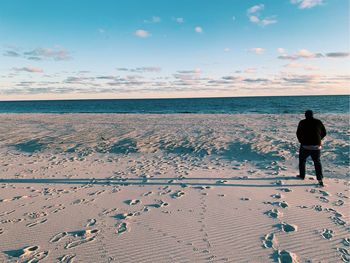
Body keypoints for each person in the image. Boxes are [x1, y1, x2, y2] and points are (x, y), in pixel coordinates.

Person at [296, 110, 327, 186]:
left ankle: (302, 176)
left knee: (302, 160)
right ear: (313, 115)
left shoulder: (302, 122)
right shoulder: (318, 122)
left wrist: (301, 141)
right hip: (316, 146)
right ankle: (320, 179)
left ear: (305, 115)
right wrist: (319, 139)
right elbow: (324, 133)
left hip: (305, 145)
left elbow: (298, 133)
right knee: (317, 162)